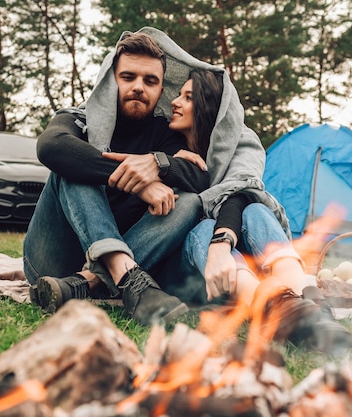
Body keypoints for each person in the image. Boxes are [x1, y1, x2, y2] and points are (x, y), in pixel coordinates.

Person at [23, 30, 211, 326]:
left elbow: (199, 178)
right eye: (128, 77)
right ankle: (125, 276)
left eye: (150, 81)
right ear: (111, 81)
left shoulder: (164, 134)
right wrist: (141, 182)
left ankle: (90, 281)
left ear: (161, 90)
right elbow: (50, 146)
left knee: (188, 202)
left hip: (76, 278)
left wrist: (157, 164)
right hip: (53, 261)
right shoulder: (80, 119)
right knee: (73, 166)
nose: (139, 87)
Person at [168, 68, 352, 356]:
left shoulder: (242, 141)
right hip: (195, 269)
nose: (175, 102)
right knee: (204, 227)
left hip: (236, 263)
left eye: (188, 98)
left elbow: (240, 193)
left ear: (208, 107)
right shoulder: (168, 145)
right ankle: (277, 307)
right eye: (179, 95)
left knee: (254, 207)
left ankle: (307, 305)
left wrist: (223, 241)